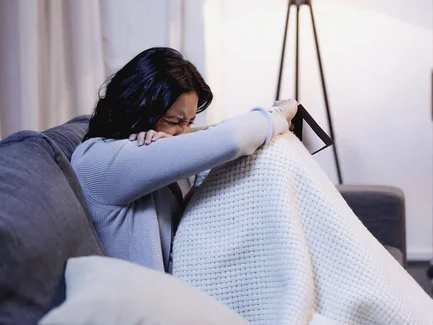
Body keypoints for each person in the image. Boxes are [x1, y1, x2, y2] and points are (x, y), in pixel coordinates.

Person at [72, 47, 298, 272]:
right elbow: (232, 140)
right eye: (174, 121)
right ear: (138, 109)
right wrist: (276, 115)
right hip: (149, 301)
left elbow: (211, 136)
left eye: (188, 122)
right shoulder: (100, 160)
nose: (184, 133)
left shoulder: (147, 150)